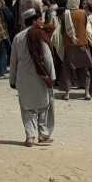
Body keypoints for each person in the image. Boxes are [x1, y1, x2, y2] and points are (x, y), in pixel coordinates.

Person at [9, 8, 56, 147]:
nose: (42, 22)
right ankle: (43, 135)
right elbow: (47, 58)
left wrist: (12, 79)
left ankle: (30, 137)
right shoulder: (39, 35)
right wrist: (51, 76)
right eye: (40, 19)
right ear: (34, 21)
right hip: (40, 76)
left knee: (27, 107)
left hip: (23, 77)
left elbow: (13, 61)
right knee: (45, 106)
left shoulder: (18, 37)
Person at [59, 0, 92, 101]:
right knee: (85, 68)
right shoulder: (83, 13)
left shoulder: (65, 14)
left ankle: (67, 93)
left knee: (68, 70)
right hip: (82, 43)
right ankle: (87, 92)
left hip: (69, 45)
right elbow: (87, 27)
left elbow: (62, 30)